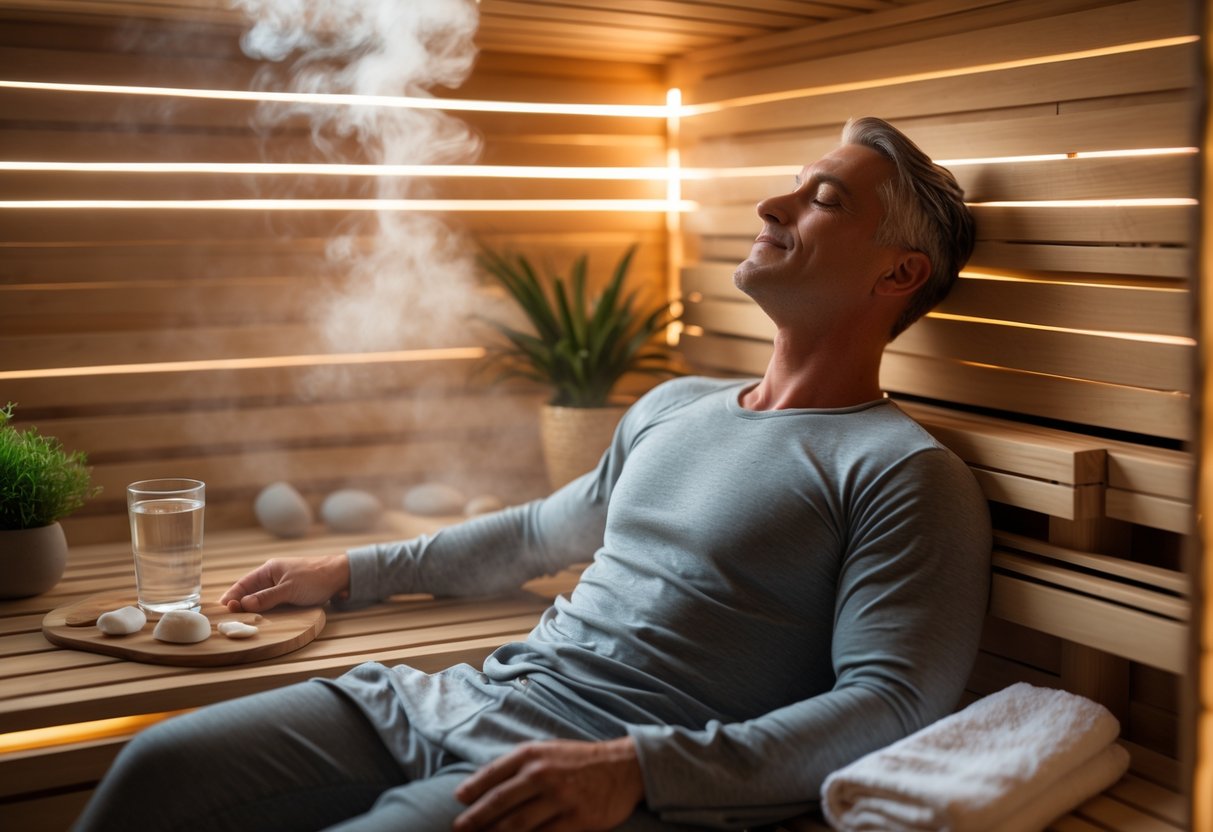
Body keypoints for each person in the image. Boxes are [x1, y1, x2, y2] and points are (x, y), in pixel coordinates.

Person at [73, 116, 990, 832]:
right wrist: (349, 570)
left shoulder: (900, 472)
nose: (770, 206)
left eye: (822, 199)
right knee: (159, 766)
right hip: (466, 697)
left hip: (601, 765)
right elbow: (536, 533)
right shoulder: (674, 407)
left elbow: (891, 702)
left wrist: (637, 769)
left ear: (897, 273)